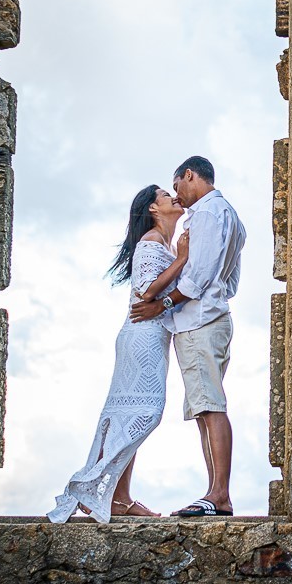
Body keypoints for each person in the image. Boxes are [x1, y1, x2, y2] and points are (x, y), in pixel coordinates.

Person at [47, 185, 188, 523]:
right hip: (140, 337)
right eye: (166, 195)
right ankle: (94, 486)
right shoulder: (152, 241)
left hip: (152, 337)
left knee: (133, 416)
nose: (174, 197)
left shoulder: (163, 242)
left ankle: (119, 498)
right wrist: (183, 259)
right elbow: (145, 290)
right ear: (154, 209)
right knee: (147, 413)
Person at [130, 156, 245, 517]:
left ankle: (219, 495)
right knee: (204, 406)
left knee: (209, 406)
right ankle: (215, 492)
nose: (177, 193)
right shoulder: (231, 217)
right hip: (214, 317)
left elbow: (197, 278)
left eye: (176, 184)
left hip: (199, 322)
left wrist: (162, 304)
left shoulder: (209, 214)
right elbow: (231, 282)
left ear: (189, 175)